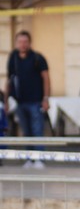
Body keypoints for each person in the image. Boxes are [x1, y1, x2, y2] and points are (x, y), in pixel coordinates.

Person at [3, 30, 50, 169]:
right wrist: (6, 101)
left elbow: (46, 78)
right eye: (20, 42)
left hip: (36, 101)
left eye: (25, 42)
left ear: (29, 43)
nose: (22, 44)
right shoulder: (13, 58)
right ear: (16, 43)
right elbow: (9, 79)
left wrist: (46, 98)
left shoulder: (37, 58)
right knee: (26, 131)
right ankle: (29, 158)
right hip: (19, 102)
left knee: (37, 130)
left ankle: (39, 158)